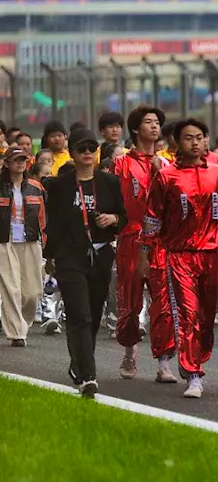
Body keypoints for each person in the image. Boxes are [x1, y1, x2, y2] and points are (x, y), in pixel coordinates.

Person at [138, 118, 218, 398]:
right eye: (188, 138)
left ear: (206, 140)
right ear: (178, 142)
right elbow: (152, 217)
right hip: (179, 255)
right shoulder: (166, 177)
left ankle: (197, 358)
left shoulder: (217, 172)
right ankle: (193, 375)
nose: (194, 143)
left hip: (211, 253)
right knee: (188, 315)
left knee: (206, 316)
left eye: (199, 137)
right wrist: (145, 253)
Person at [43, 128, 127, 398]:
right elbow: (54, 223)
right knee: (79, 315)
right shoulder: (60, 185)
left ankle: (78, 365)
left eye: (92, 147)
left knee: (92, 315)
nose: (88, 152)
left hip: (100, 255)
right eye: (82, 148)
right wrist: (50, 257)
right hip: (70, 256)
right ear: (72, 153)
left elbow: (124, 216)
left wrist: (113, 219)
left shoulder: (109, 182)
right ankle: (88, 376)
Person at [111, 106, 177, 382]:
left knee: (164, 304)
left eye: (157, 122)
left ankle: (164, 362)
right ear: (136, 128)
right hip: (131, 238)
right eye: (148, 122)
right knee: (130, 301)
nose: (154, 126)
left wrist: (162, 175)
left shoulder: (168, 165)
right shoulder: (122, 164)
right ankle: (130, 353)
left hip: (161, 241)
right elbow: (114, 199)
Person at [0, 149, 46, 348]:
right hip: (5, 240)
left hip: (30, 240)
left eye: (23, 160)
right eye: (16, 160)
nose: (20, 163)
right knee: (11, 288)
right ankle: (16, 332)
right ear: (6, 163)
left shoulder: (36, 188)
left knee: (32, 293)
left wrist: (47, 244)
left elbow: (44, 218)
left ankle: (22, 323)